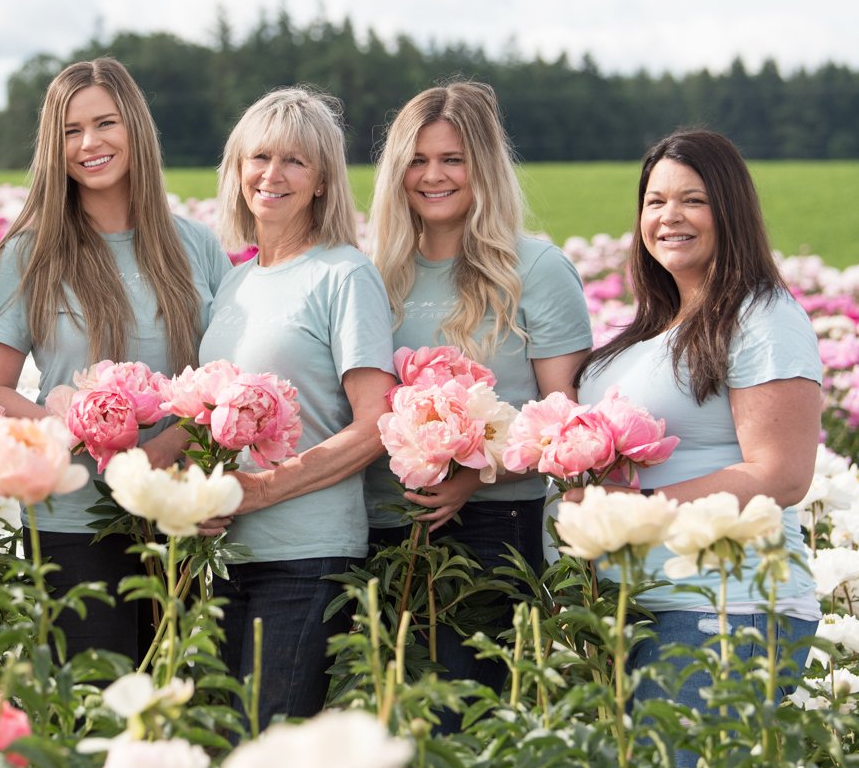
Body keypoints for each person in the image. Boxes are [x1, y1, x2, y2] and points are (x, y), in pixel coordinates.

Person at [0, 58, 230, 664]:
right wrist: (76, 430)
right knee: (95, 716)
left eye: (105, 123)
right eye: (70, 130)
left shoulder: (195, 246)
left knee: (183, 713)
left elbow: (225, 384)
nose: (89, 143)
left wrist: (172, 457)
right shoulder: (29, 255)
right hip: (74, 522)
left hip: (183, 515)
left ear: (135, 128)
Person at [571, 129, 822, 734]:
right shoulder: (649, 332)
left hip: (723, 608)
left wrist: (637, 510)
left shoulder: (762, 315)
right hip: (634, 606)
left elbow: (781, 475)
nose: (669, 216)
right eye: (654, 202)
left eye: (693, 200)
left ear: (730, 210)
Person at [364, 81, 592, 696]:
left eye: (452, 159)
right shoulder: (375, 273)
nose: (432, 176)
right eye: (417, 160)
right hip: (379, 526)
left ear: (484, 167)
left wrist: (474, 475)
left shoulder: (537, 271)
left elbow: (564, 429)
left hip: (494, 526)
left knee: (467, 719)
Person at [199, 87, 397, 726]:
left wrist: (258, 491)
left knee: (267, 747)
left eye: (295, 161)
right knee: (226, 752)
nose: (272, 175)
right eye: (259, 157)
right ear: (236, 169)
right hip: (228, 555)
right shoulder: (236, 282)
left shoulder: (343, 275)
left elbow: (377, 424)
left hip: (308, 557)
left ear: (322, 182)